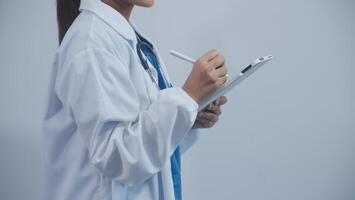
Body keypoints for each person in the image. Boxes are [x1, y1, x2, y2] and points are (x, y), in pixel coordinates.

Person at [42, 0, 228, 199]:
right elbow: (117, 157)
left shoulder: (125, 37)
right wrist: (187, 97)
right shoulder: (91, 44)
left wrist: (190, 114)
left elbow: (142, 135)